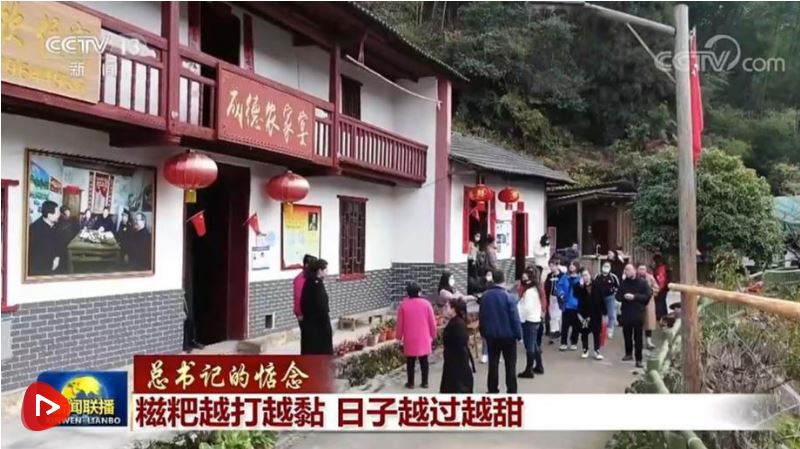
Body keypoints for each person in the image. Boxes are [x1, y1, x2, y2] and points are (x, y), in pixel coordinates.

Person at [479, 269, 521, 394]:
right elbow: (514, 318)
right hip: (508, 336)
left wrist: (483, 332)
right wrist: (518, 334)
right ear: (504, 279)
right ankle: (511, 389)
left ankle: (492, 389)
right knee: (510, 365)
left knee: (493, 364)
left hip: (492, 335)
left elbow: (482, 316)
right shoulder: (509, 297)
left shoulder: (485, 296)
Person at [396, 282, 437, 389]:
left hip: (410, 338)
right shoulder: (426, 304)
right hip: (424, 337)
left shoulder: (403, 305)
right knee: (424, 361)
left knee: (410, 362)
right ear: (419, 292)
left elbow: (399, 324)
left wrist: (398, 338)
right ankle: (425, 382)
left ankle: (411, 383)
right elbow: (432, 322)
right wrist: (434, 336)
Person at [616, 263, 652, 368]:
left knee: (638, 337)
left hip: (637, 312)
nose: (627, 272)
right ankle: (628, 353)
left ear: (634, 271)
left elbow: (647, 296)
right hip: (626, 312)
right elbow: (617, 296)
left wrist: (635, 297)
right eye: (625, 270)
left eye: (629, 270)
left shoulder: (642, 283)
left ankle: (639, 359)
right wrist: (624, 296)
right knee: (627, 334)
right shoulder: (623, 283)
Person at [440, 297, 475, 393]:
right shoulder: (455, 321)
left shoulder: (457, 324)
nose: (445, 309)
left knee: (457, 385)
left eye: (448, 307)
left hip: (457, 360)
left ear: (453, 309)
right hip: (454, 359)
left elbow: (461, 340)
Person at [517, 266, 547, 378]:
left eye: (525, 274)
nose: (523, 276)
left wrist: (521, 316)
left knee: (529, 346)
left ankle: (529, 370)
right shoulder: (535, 288)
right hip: (535, 319)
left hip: (529, 320)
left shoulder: (529, 291)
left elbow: (527, 308)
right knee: (534, 344)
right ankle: (539, 366)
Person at [300, 258, 333, 355]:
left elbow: (303, 303)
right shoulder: (317, 285)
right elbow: (321, 305)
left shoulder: (308, 282)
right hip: (319, 325)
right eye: (326, 269)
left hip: (309, 322)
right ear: (319, 270)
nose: (327, 272)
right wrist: (325, 324)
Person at [575, 269, 605, 360]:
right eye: (583, 275)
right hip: (584, 312)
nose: (585, 277)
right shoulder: (579, 286)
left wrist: (604, 311)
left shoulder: (597, 284)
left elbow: (601, 297)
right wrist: (580, 286)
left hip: (596, 312)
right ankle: (585, 349)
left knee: (596, 332)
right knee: (584, 332)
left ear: (590, 275)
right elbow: (576, 294)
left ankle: (597, 350)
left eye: (586, 275)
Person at [28, 200, 61, 276]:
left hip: (54, 263)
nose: (59, 215)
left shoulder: (56, 224)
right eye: (57, 213)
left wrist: (57, 257)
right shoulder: (35, 229)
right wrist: (51, 264)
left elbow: (58, 244)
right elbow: (35, 255)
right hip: (41, 269)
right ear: (49, 215)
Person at [557, 260, 582, 351]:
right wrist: (561, 294)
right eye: (570, 264)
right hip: (567, 305)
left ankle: (574, 342)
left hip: (577, 305)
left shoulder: (580, 278)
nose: (571, 266)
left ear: (577, 267)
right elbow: (559, 286)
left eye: (573, 265)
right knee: (565, 325)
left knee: (576, 326)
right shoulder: (565, 277)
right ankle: (563, 343)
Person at [595, 261, 620, 339]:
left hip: (610, 298)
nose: (606, 267)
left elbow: (618, 286)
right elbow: (594, 286)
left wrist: (614, 293)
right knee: (599, 314)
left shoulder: (613, 277)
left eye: (607, 266)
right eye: (605, 265)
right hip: (599, 298)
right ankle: (599, 329)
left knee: (611, 314)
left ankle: (610, 329)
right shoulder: (598, 276)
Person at [638, 264, 659, 350]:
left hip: (648, 301)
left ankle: (649, 341)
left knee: (648, 322)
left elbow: (656, 288)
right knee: (637, 322)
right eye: (640, 269)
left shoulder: (650, 277)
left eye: (643, 269)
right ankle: (637, 341)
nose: (642, 270)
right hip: (637, 301)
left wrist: (650, 291)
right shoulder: (634, 277)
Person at [544, 258, 563, 344]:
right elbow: (546, 286)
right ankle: (553, 332)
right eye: (550, 266)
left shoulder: (562, 276)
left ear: (557, 266)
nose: (551, 268)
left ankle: (557, 331)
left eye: (553, 266)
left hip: (559, 298)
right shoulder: (549, 276)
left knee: (558, 315)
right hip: (551, 297)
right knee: (551, 315)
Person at [294, 254, 317, 325]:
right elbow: (298, 297)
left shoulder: (312, 277)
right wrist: (300, 313)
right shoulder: (301, 279)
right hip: (304, 313)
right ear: (307, 265)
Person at [653, 254, 670, 320]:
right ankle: (663, 316)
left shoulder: (661, 268)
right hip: (663, 288)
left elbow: (661, 279)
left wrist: (658, 289)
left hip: (661, 288)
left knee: (660, 303)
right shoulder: (663, 267)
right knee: (662, 302)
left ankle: (661, 317)